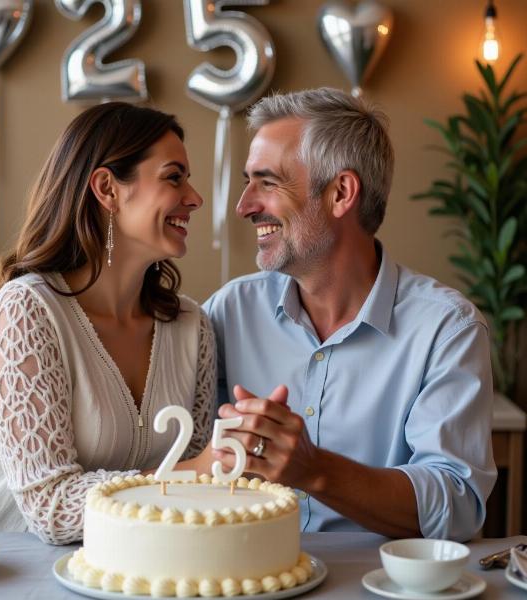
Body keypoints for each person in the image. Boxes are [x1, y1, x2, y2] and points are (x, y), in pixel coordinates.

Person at [204, 87, 497, 541]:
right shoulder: (229, 312)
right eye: (247, 181)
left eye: (267, 181)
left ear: (341, 193)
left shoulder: (446, 328)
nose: (244, 205)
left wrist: (314, 470)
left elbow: (456, 502)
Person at [0, 103, 216, 544]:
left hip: (102, 575)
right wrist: (196, 475)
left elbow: (190, 502)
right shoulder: (27, 310)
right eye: (174, 176)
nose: (194, 197)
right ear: (108, 188)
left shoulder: (193, 328)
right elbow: (53, 505)